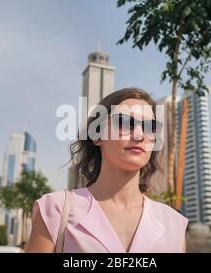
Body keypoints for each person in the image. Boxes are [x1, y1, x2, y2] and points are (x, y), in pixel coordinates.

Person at [26, 88, 188, 253]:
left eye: (150, 127)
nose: (139, 135)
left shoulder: (174, 224)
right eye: (125, 123)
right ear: (97, 135)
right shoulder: (55, 210)